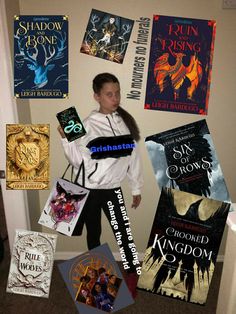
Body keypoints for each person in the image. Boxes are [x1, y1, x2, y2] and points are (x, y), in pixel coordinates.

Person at [58, 72, 143, 298]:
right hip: (91, 191)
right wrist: (66, 140)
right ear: (97, 96)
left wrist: (136, 188)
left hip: (113, 189)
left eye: (117, 93)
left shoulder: (125, 123)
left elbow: (133, 158)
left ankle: (132, 275)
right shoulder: (86, 125)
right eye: (109, 94)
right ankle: (98, 281)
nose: (115, 98)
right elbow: (77, 163)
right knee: (93, 233)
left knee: (123, 234)